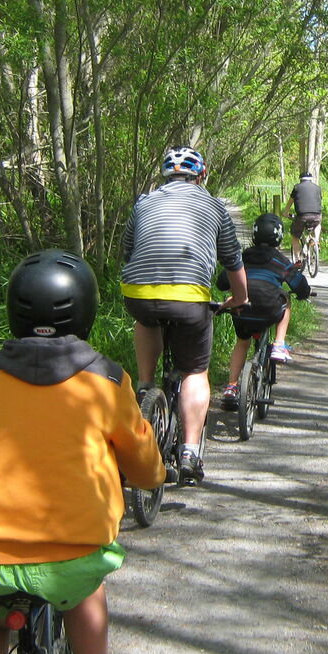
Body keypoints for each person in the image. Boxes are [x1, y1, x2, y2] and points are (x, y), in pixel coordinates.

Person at [0, 249, 166, 654]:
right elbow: (142, 459)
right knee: (87, 599)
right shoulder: (109, 382)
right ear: (86, 311)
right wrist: (152, 476)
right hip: (71, 562)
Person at [121, 146, 249, 485]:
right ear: (201, 175)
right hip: (189, 297)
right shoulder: (215, 207)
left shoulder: (143, 203)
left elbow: (127, 251)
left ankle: (145, 387)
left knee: (146, 319)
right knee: (195, 371)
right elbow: (233, 262)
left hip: (138, 292)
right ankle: (190, 450)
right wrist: (240, 299)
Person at [216, 213, 311, 405]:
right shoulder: (280, 261)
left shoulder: (242, 258)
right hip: (269, 309)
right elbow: (299, 285)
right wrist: (303, 293)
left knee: (242, 343)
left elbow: (222, 282)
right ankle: (279, 344)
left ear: (254, 235)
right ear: (279, 237)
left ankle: (232, 387)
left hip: (242, 308)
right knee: (285, 299)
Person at [282, 171, 323, 260]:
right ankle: (316, 240)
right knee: (318, 224)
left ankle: (298, 260)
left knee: (295, 236)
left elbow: (290, 203)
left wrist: (285, 212)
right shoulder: (318, 188)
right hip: (316, 216)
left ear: (301, 179)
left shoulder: (297, 188)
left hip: (302, 216)